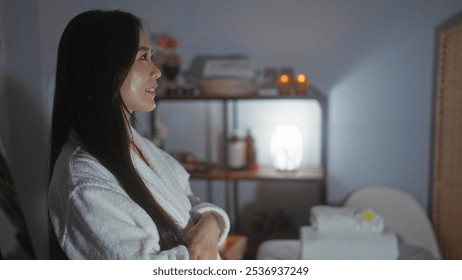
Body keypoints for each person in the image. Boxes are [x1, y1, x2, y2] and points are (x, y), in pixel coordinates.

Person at [47, 10, 229, 260]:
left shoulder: (138, 147)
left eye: (152, 56)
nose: (157, 71)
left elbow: (188, 203)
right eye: (143, 56)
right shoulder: (83, 182)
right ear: (105, 66)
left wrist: (210, 222)